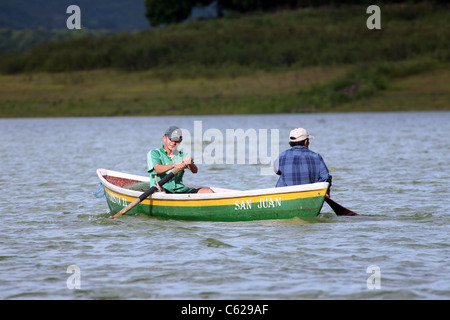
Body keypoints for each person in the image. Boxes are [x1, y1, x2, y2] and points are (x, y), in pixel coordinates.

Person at [147, 126, 214, 194]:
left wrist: (190, 163)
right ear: (164, 138)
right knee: (162, 191)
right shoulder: (154, 153)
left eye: (176, 140)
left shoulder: (182, 155)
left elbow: (195, 171)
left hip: (180, 190)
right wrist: (174, 165)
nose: (173, 143)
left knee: (208, 191)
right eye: (171, 139)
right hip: (160, 188)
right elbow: (157, 169)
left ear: (180, 141)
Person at [274, 127, 332, 197]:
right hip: (310, 195)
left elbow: (276, 171)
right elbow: (325, 177)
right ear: (305, 142)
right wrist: (326, 192)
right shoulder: (316, 157)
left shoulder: (281, 156)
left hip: (286, 196)